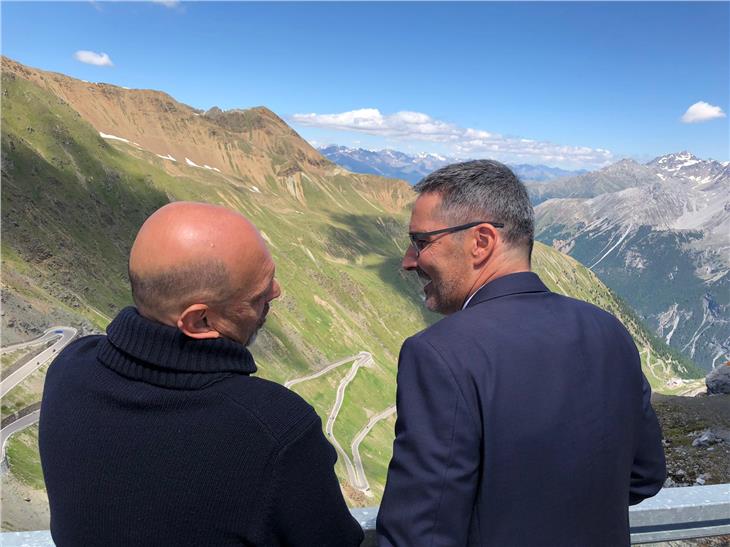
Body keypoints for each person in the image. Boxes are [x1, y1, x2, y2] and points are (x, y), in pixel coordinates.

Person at [39, 202, 363, 547]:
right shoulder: (275, 429)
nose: (276, 292)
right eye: (258, 295)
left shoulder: (68, 367)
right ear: (200, 321)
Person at [376, 160, 666, 546]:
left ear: (481, 241)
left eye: (421, 241)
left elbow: (419, 534)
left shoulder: (438, 353)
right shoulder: (607, 330)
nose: (409, 260)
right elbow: (645, 474)